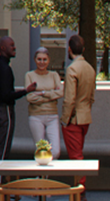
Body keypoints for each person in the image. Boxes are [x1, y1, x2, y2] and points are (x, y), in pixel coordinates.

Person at [0, 35, 31, 161]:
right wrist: (26, 91)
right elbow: (7, 95)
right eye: (12, 45)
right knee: (3, 147)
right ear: (3, 48)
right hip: (5, 111)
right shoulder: (5, 69)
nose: (15, 48)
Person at [60, 35, 96, 166]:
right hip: (85, 117)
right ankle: (80, 184)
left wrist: (64, 120)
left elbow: (69, 99)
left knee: (75, 157)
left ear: (69, 49)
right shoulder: (90, 69)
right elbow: (91, 97)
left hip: (73, 119)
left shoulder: (72, 69)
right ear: (83, 49)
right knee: (78, 153)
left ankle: (80, 185)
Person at [25, 47, 64, 157]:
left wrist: (42, 93)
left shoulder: (54, 75)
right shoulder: (29, 75)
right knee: (41, 150)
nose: (42, 62)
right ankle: (40, 174)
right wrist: (51, 95)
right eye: (39, 59)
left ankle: (48, 174)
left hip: (52, 116)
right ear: (35, 59)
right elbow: (29, 97)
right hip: (36, 116)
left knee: (55, 151)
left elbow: (61, 93)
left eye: (44, 59)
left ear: (49, 60)